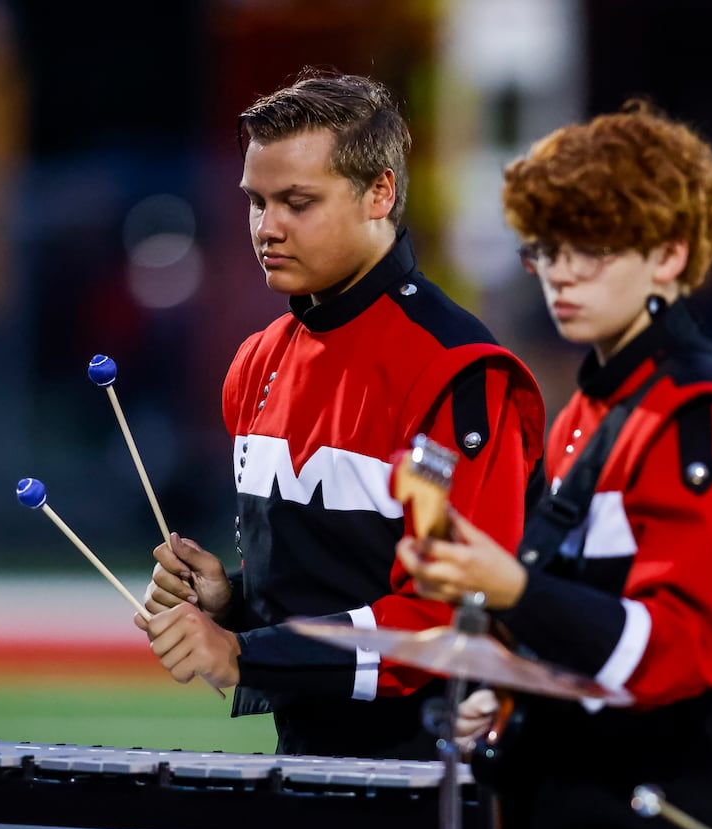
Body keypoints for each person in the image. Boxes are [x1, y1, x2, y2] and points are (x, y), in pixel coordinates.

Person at [395, 101, 712, 829]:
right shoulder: (589, 410)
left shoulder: (692, 413)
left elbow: (681, 650)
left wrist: (514, 589)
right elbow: (584, 628)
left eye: (593, 248)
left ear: (670, 257)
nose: (561, 272)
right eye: (546, 247)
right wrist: (502, 690)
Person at [136, 69, 546, 759]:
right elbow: (327, 584)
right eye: (256, 201)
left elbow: (448, 621)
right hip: (306, 768)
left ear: (379, 192)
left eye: (299, 201)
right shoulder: (256, 364)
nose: (267, 228)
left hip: (444, 789)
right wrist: (231, 602)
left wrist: (245, 653)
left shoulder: (457, 370)